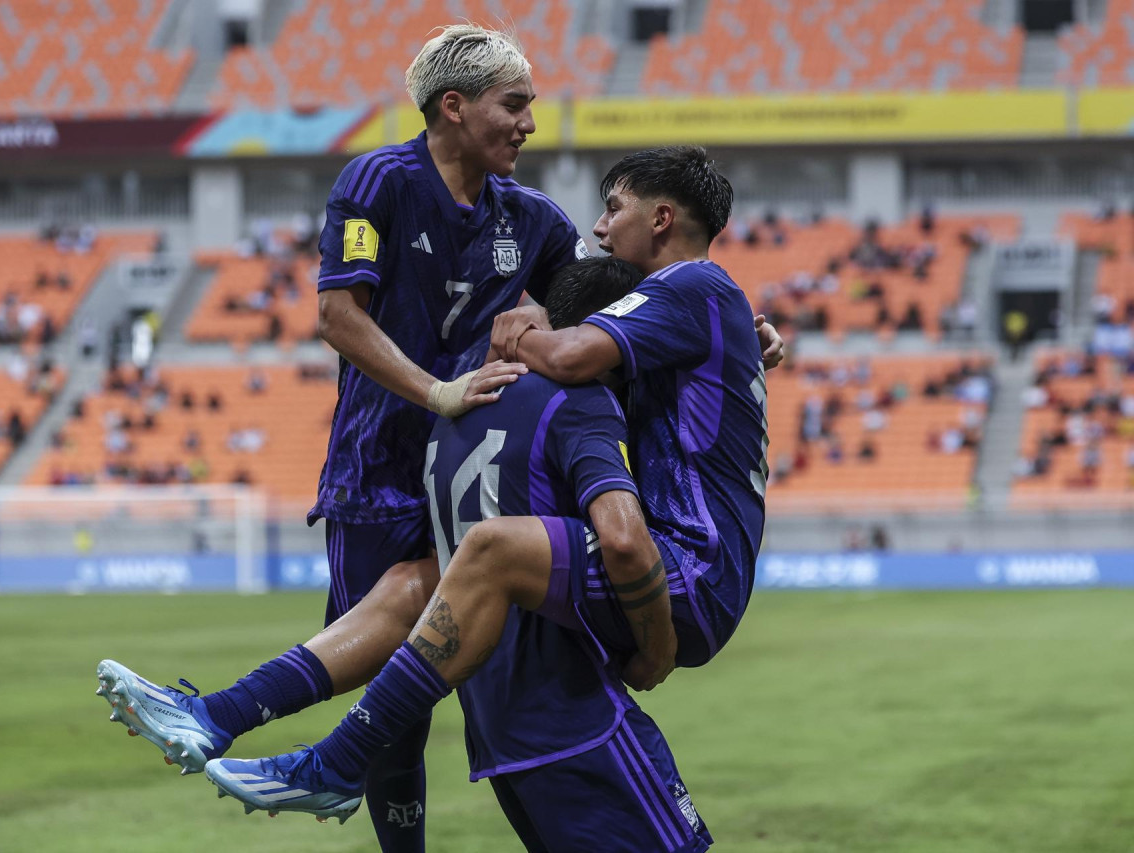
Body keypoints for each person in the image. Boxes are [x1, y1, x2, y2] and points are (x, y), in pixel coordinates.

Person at [95, 29, 783, 846]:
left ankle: (264, 733)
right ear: (453, 108)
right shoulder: (380, 179)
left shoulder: (530, 218)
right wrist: (437, 388)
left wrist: (745, 327)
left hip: (483, 460)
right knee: (406, 651)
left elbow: (605, 289)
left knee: (436, 635)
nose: (530, 123)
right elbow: (336, 314)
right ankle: (227, 720)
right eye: (515, 104)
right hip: (382, 463)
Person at [204, 257, 712, 851]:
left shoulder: (461, 411)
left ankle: (244, 721)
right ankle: (330, 756)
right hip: (572, 708)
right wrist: (657, 648)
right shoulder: (580, 402)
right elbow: (623, 539)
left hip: (493, 720)